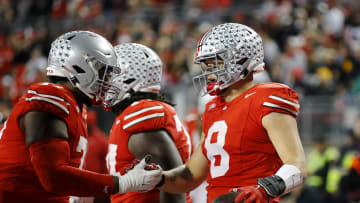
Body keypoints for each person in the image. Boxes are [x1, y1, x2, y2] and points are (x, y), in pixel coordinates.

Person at [0, 31, 162, 203]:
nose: (108, 81)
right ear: (78, 67)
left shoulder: (74, 108)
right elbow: (53, 177)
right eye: (103, 72)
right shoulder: (49, 100)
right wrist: (123, 183)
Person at [157, 23, 307, 203]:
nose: (208, 72)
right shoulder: (212, 109)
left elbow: (297, 166)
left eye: (215, 64)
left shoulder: (266, 99)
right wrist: (158, 178)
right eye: (206, 65)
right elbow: (191, 175)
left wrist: (265, 189)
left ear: (241, 60)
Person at [103, 43, 192, 203]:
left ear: (128, 78)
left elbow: (174, 189)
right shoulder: (132, 113)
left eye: (110, 75)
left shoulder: (142, 119)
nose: (104, 82)